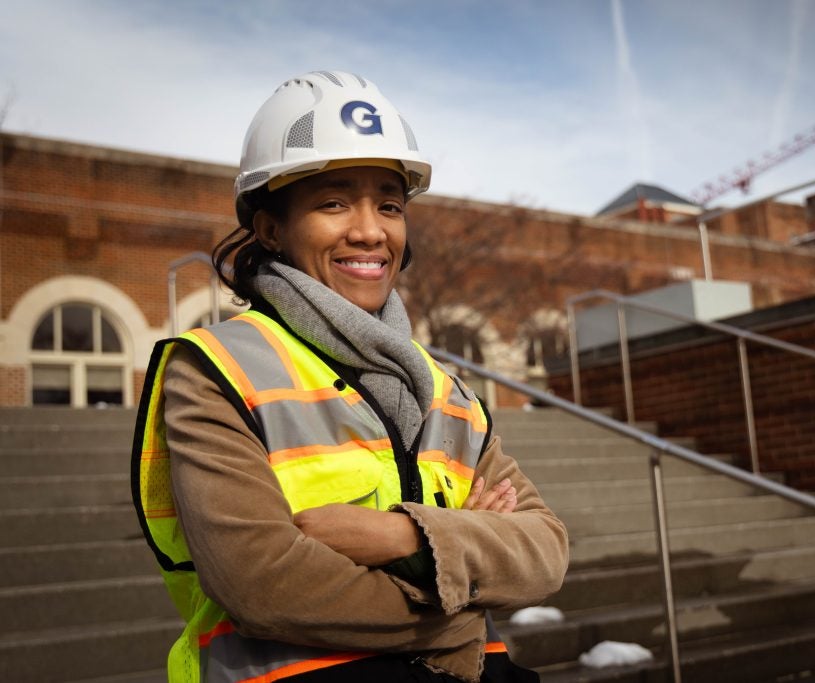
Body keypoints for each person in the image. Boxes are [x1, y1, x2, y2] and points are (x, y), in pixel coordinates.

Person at [131, 70, 569, 683]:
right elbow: (262, 583)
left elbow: (544, 552)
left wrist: (406, 538)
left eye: (389, 204)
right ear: (271, 228)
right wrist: (461, 605)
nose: (370, 230)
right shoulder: (216, 370)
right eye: (334, 202)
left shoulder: (449, 392)